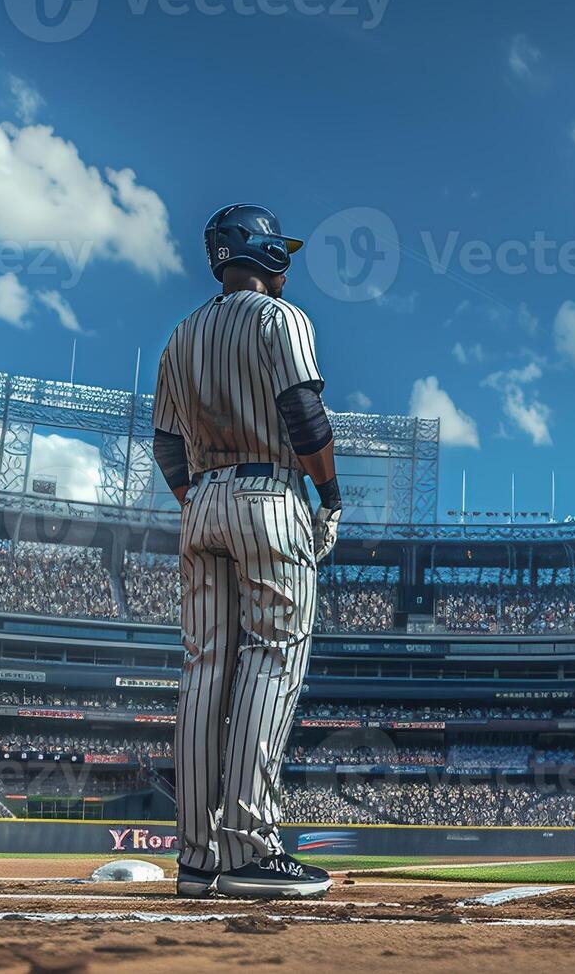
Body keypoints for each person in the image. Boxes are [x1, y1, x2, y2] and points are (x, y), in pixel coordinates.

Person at [154, 204, 343, 901]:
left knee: (204, 671)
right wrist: (330, 497)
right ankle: (248, 848)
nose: (286, 265)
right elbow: (303, 413)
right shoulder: (279, 318)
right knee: (272, 660)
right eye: (280, 253)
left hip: (199, 501)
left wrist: (204, 506)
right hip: (272, 495)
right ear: (262, 255)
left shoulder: (179, 335)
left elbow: (167, 448)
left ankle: (197, 859)